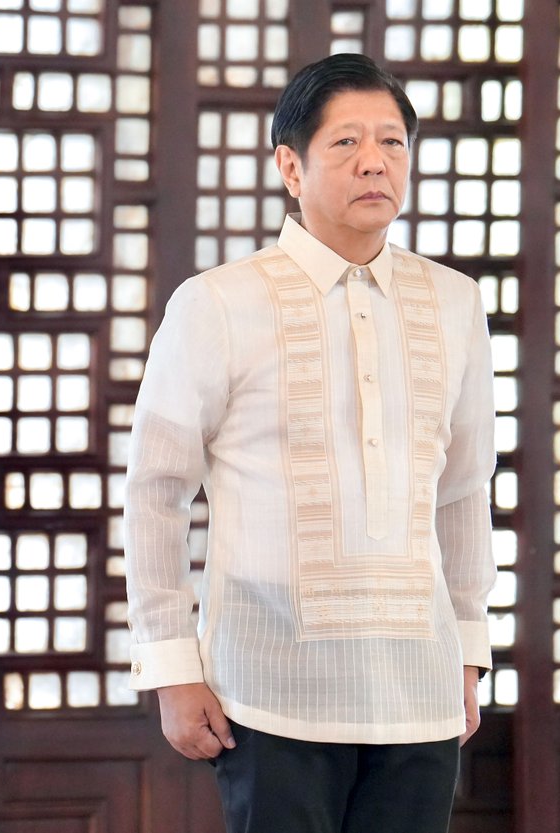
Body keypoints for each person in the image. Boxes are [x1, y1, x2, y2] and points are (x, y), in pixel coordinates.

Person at [124, 53, 496, 833]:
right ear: (289, 166)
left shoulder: (456, 304)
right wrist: (171, 667)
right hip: (269, 693)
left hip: (418, 695)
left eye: (392, 143)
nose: (375, 162)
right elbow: (156, 493)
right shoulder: (218, 304)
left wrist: (466, 652)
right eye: (347, 143)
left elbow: (463, 491)